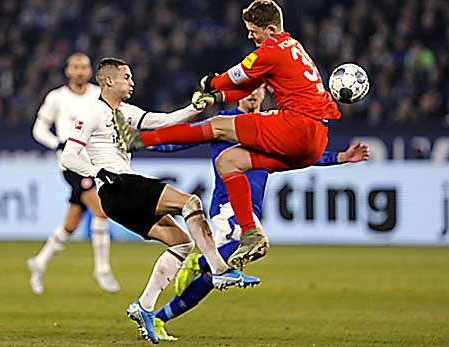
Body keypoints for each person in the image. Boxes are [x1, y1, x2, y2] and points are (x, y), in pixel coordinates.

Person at [115, 0, 343, 269]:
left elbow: (231, 77)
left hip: (298, 126)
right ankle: (251, 233)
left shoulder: (270, 51)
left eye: (253, 30)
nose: (250, 35)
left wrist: (211, 83)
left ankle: (140, 139)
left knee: (219, 126)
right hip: (314, 140)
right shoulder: (291, 46)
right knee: (228, 162)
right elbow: (247, 84)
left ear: (270, 29)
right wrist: (218, 95)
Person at [59, 57, 260, 344]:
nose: (132, 82)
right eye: (126, 77)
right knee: (190, 203)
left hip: (119, 194)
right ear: (108, 81)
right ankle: (219, 269)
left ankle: (145, 306)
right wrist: (98, 172)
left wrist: (195, 108)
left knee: (182, 242)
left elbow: (164, 121)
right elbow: (69, 156)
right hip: (117, 186)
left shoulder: (126, 112)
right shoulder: (91, 113)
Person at [147, 87, 370, 341]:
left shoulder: (274, 125)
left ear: (265, 94)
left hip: (251, 208)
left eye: (258, 90)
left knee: (213, 279)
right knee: (257, 245)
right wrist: (142, 144)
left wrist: (341, 157)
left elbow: (304, 154)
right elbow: (180, 141)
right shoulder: (224, 123)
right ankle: (197, 262)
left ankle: (159, 318)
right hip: (227, 205)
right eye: (248, 90)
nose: (252, 94)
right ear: (238, 93)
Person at [27, 52, 119, 294]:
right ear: (67, 70)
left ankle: (40, 262)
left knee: (70, 224)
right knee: (101, 210)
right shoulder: (56, 97)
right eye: (75, 67)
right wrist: (57, 143)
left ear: (90, 71)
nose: (79, 71)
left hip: (94, 163)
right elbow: (39, 129)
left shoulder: (97, 95)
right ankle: (102, 269)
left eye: (84, 67)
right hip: (71, 165)